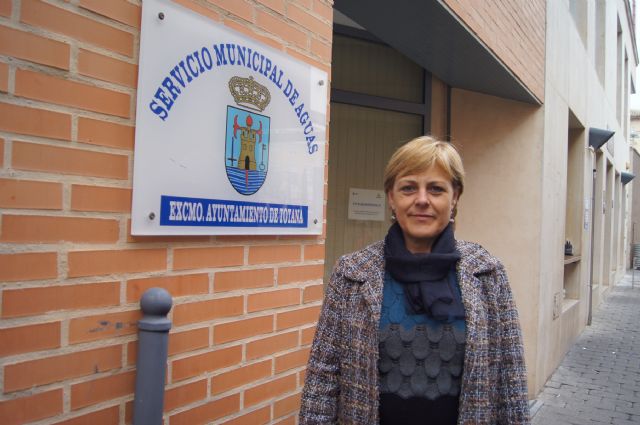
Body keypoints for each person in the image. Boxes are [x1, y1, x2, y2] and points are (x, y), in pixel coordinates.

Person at [299, 136, 530, 425]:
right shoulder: (352, 273)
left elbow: (510, 381)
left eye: (436, 188)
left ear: (455, 197)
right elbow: (323, 377)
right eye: (408, 188)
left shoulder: (487, 273)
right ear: (391, 197)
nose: (422, 199)